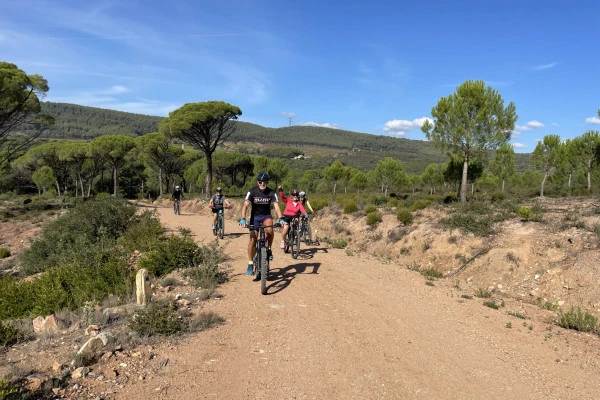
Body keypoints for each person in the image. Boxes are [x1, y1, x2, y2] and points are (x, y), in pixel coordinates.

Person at [239, 172, 284, 276]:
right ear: (257, 182)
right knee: (252, 239)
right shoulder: (252, 192)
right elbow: (245, 205)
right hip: (255, 217)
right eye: (260, 182)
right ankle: (250, 263)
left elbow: (276, 207)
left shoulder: (271, 193)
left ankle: (269, 249)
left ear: (267, 182)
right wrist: (243, 219)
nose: (262, 184)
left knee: (270, 231)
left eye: (264, 182)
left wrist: (281, 218)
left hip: (266, 216)